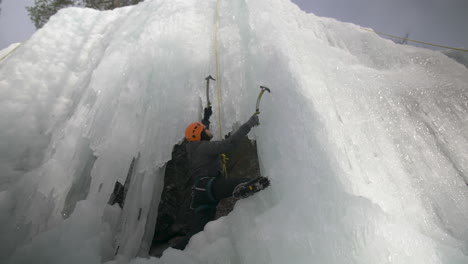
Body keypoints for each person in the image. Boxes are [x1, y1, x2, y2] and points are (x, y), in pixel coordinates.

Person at [172, 107, 270, 250]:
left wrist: (206, 118)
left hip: (200, 194)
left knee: (197, 234)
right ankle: (244, 187)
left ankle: (174, 254)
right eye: (204, 129)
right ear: (199, 134)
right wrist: (249, 124)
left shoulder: (195, 148)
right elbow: (228, 144)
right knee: (235, 184)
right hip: (208, 186)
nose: (207, 130)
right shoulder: (204, 147)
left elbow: (198, 132)